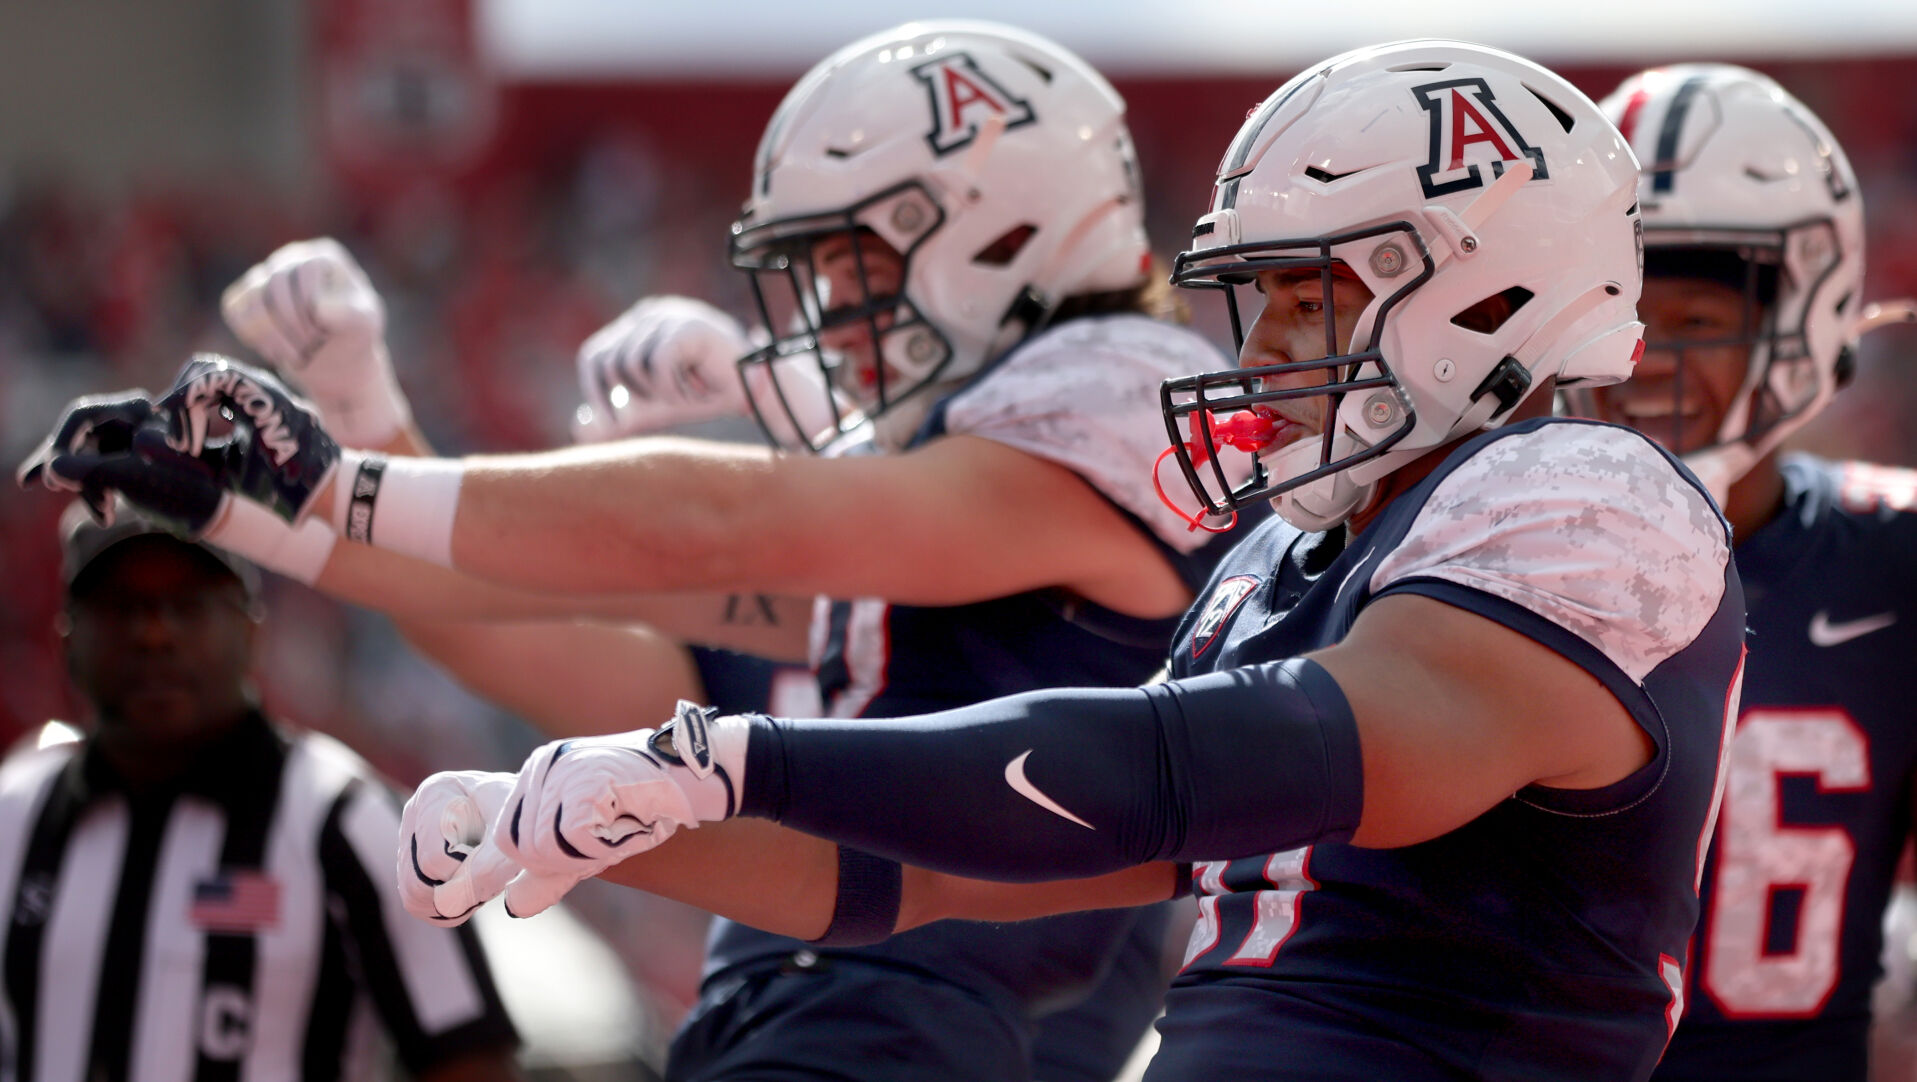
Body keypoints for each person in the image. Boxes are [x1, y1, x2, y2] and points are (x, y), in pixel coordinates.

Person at [33, 38, 1747, 1081]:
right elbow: (969, 869)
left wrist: (726, 746)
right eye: (1268, 294)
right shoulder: (1293, 555)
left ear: (1494, 277)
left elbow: (1198, 762)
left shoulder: (1580, 493)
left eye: (1317, 291)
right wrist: (644, 822)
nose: (1269, 341)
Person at [32, 21, 1243, 1080]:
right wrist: (276, 486)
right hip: (815, 1012)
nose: (827, 316)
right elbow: (522, 615)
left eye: (852, 264)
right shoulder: (942, 574)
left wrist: (348, 483)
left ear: (999, 227)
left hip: (920, 1028)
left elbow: (741, 521)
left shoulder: (1117, 393)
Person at [1574, 64, 1917, 1082]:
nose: (1645, 364)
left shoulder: (1890, 554)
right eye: (1615, 320)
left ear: (1802, 316)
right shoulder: (1476, 546)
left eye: (1689, 321)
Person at [0, 500, 520, 1081]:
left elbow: (470, 1059)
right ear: (68, 640)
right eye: (122, 608)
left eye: (189, 605)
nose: (153, 633)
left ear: (252, 632)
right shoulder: (14, 817)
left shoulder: (347, 820)